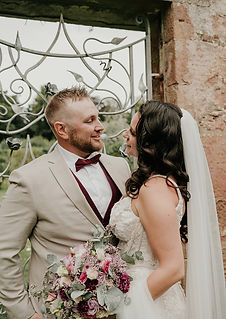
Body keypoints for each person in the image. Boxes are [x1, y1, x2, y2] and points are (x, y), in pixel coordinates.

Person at [0, 87, 131, 319]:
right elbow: (4, 251)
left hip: (123, 308)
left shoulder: (121, 168)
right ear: (62, 129)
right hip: (56, 311)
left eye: (98, 118)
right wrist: (25, 314)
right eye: (90, 120)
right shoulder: (29, 179)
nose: (100, 126)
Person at [109, 100, 226, 319]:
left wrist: (125, 308)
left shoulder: (155, 190)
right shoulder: (158, 182)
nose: (126, 134)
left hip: (149, 304)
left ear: (150, 143)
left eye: (133, 132)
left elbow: (173, 268)